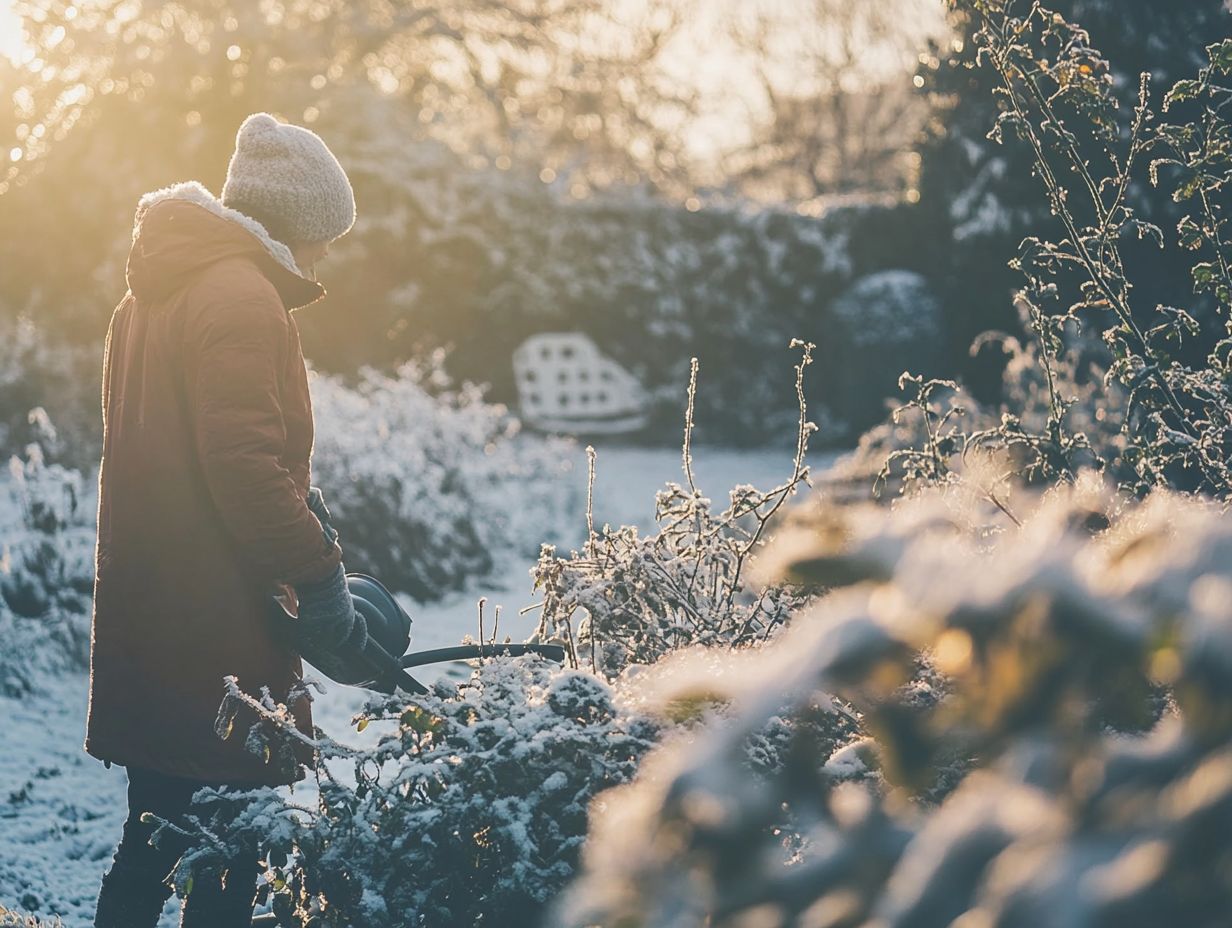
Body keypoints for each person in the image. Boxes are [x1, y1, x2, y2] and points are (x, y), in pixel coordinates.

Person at [87, 112, 367, 928]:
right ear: (296, 223)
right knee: (230, 849)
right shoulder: (240, 295)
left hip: (156, 609)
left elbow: (189, 451)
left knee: (152, 838)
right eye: (325, 236)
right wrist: (319, 573)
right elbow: (242, 468)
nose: (325, 256)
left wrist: (299, 509)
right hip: (217, 627)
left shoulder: (150, 295)